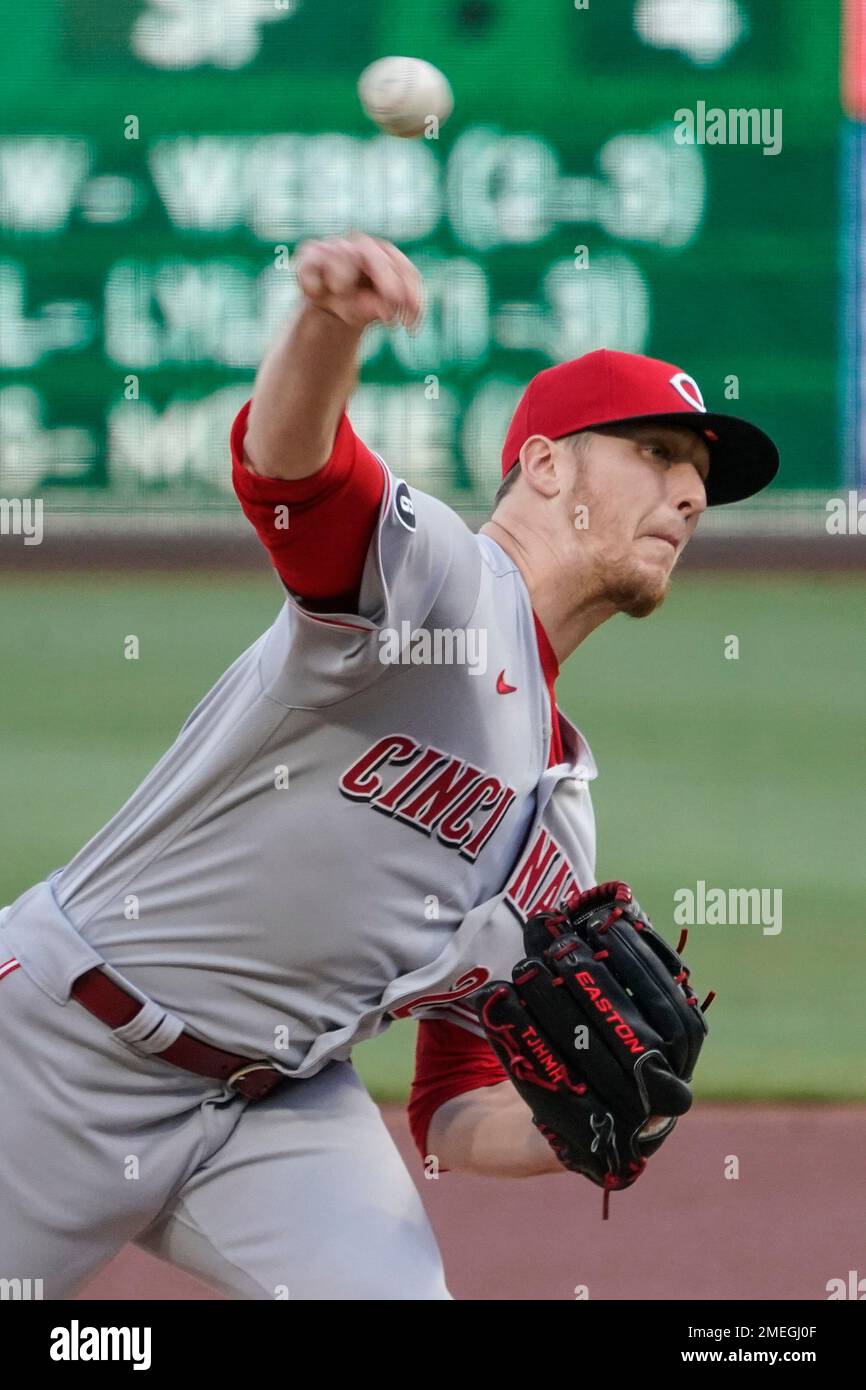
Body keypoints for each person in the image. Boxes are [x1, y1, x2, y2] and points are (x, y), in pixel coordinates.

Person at [0, 234, 778, 1300]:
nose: (687, 492)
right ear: (545, 463)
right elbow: (291, 479)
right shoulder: (444, 589)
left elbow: (450, 1108)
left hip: (278, 1110)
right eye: (653, 450)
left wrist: (595, 1120)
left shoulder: (558, 824)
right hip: (56, 1054)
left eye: (697, 473)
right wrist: (328, 320)